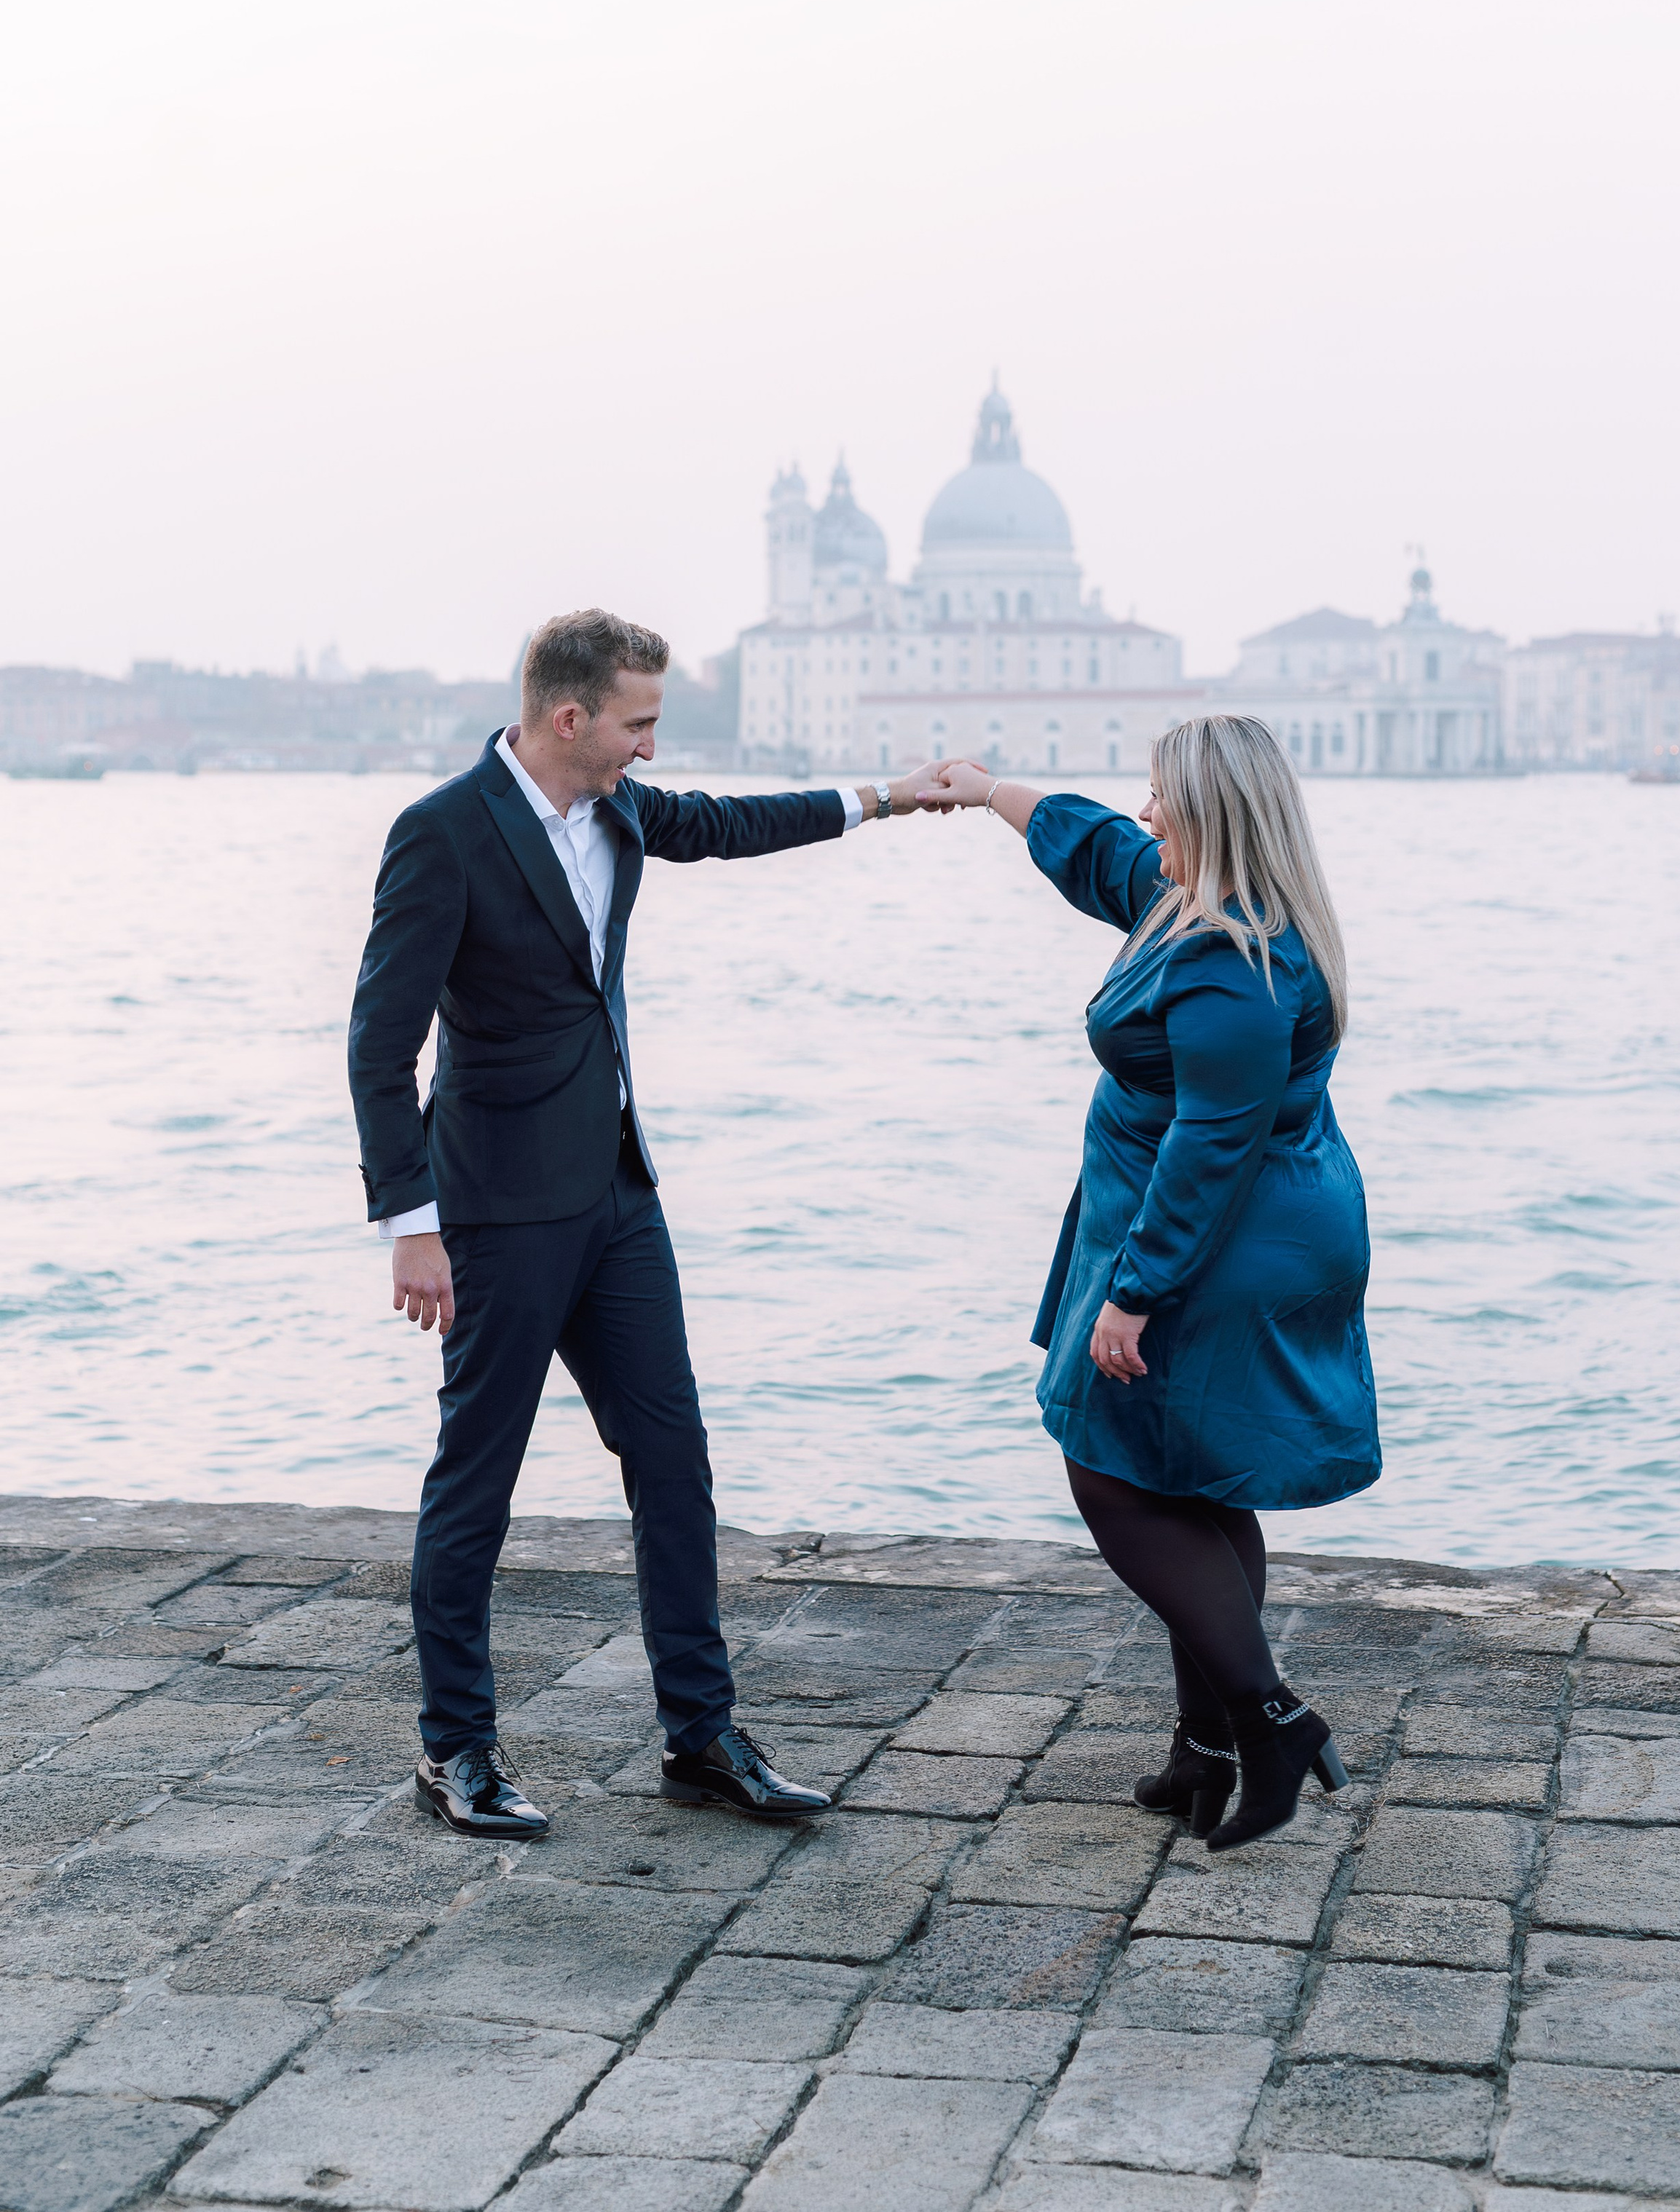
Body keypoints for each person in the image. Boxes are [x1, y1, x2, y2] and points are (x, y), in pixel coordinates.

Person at [349, 608, 945, 1841]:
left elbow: (734, 829)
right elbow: (377, 1046)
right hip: (498, 1218)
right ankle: (454, 1747)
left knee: (672, 1458)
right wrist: (412, 1224)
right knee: (480, 1484)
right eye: (638, 725)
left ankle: (702, 1736)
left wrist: (887, 798)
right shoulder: (443, 835)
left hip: (619, 1200)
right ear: (571, 719)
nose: (650, 751)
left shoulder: (622, 810)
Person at [918, 716, 1378, 1847]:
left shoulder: (1236, 965)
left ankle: (1270, 1721)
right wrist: (989, 792)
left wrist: (1135, 1292)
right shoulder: (1186, 902)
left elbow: (1211, 1146)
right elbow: (1099, 851)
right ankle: (1207, 1746)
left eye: (1164, 797)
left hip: (1217, 1242)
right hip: (1217, 1227)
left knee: (1113, 1475)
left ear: (1213, 815)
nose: (1148, 812)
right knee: (1198, 1483)